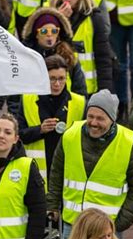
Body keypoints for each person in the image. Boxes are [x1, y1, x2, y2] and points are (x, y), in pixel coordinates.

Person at [47, 89, 133, 239]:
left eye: (100, 118)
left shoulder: (129, 144)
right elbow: (57, 173)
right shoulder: (70, 136)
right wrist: (53, 205)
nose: (94, 123)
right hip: (73, 224)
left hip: (108, 228)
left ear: (112, 119)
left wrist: (121, 222)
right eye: (91, 116)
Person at [18, 55, 86, 184]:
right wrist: (40, 130)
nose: (57, 84)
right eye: (52, 79)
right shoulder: (28, 99)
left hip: (66, 170)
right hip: (36, 172)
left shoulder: (79, 102)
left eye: (61, 79)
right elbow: (19, 136)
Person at [50, 0, 114, 95]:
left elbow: (103, 59)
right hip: (57, 89)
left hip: (87, 90)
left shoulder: (94, 18)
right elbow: (45, 47)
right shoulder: (50, 14)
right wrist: (59, 19)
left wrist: (105, 92)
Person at [22, 7, 87, 96]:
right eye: (44, 31)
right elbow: (15, 93)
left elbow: (80, 90)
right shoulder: (26, 57)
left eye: (54, 31)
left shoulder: (69, 57)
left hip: (65, 107)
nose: (49, 35)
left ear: (58, 34)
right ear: (36, 34)